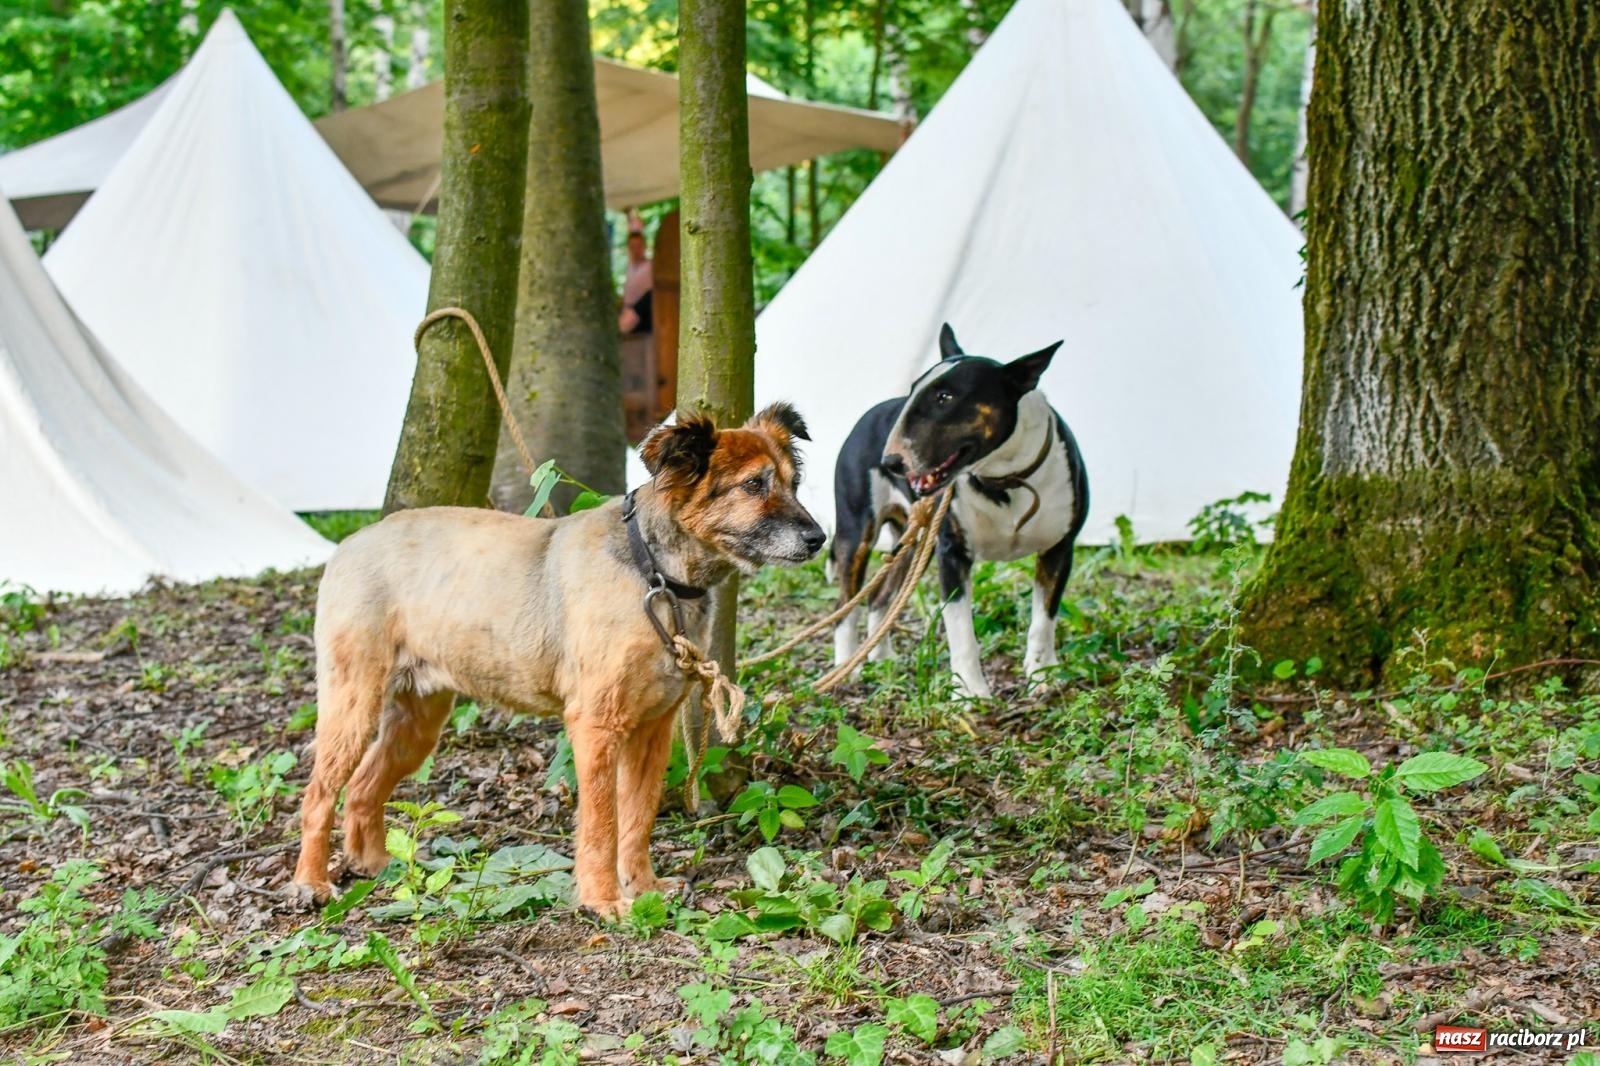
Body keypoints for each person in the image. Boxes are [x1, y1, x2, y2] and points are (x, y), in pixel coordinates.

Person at [618, 229, 654, 335]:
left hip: (643, 315)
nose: (636, 250)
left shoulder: (650, 267)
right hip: (628, 312)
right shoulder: (629, 267)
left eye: (639, 246)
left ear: (644, 246)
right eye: (632, 247)